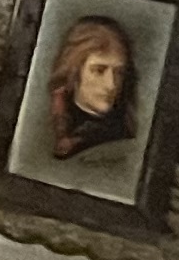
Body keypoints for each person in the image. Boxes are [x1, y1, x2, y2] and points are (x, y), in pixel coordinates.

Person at [41, 14, 140, 165]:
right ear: (74, 72)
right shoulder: (49, 126)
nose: (111, 85)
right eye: (99, 70)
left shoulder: (124, 131)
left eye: (119, 73)